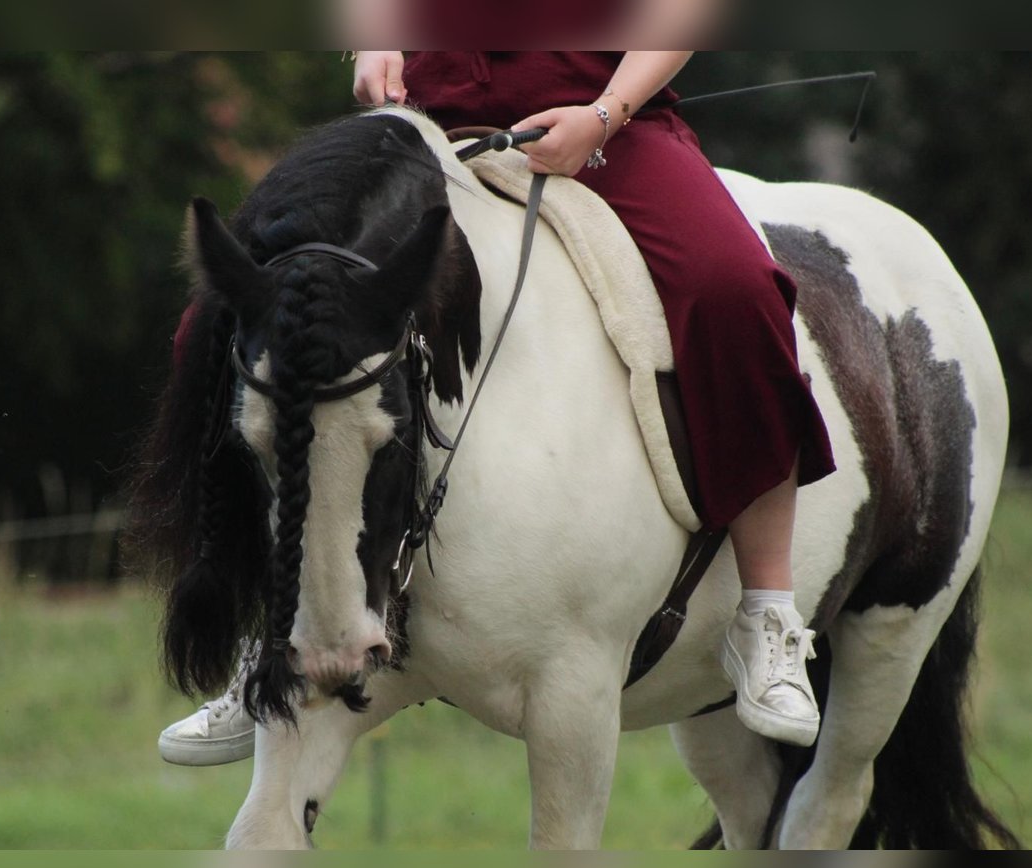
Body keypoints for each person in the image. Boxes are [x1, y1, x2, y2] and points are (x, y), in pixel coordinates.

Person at [159, 50, 836, 765]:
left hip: (599, 126)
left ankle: (766, 612)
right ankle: (263, 640)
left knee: (735, 291)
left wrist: (603, 115)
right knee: (217, 324)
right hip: (422, 132)